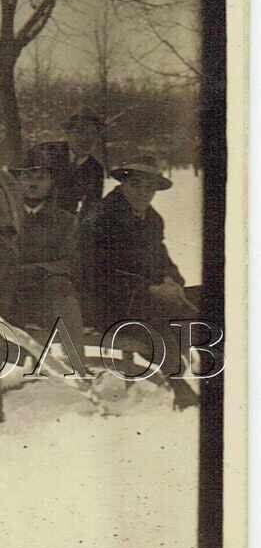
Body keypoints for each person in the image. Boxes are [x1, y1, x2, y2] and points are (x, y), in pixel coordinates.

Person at [79, 155, 199, 409]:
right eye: (136, 184)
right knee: (153, 316)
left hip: (145, 293)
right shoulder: (101, 218)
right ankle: (179, 385)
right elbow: (98, 273)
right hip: (103, 300)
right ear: (122, 184)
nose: (143, 192)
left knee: (204, 297)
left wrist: (172, 280)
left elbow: (161, 256)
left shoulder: (152, 219)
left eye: (149, 187)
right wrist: (150, 289)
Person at [10, 142, 88, 376]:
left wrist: (38, 270)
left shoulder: (66, 221)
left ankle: (77, 367)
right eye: (26, 176)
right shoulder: (3, 218)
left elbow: (71, 261)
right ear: (17, 181)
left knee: (61, 286)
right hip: (9, 296)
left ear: (51, 181)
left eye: (40, 176)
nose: (32, 183)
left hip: (47, 299)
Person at [55, 109, 105, 218]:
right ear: (67, 134)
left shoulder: (96, 169)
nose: (87, 138)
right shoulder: (45, 153)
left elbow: (91, 209)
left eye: (93, 133)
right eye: (80, 131)